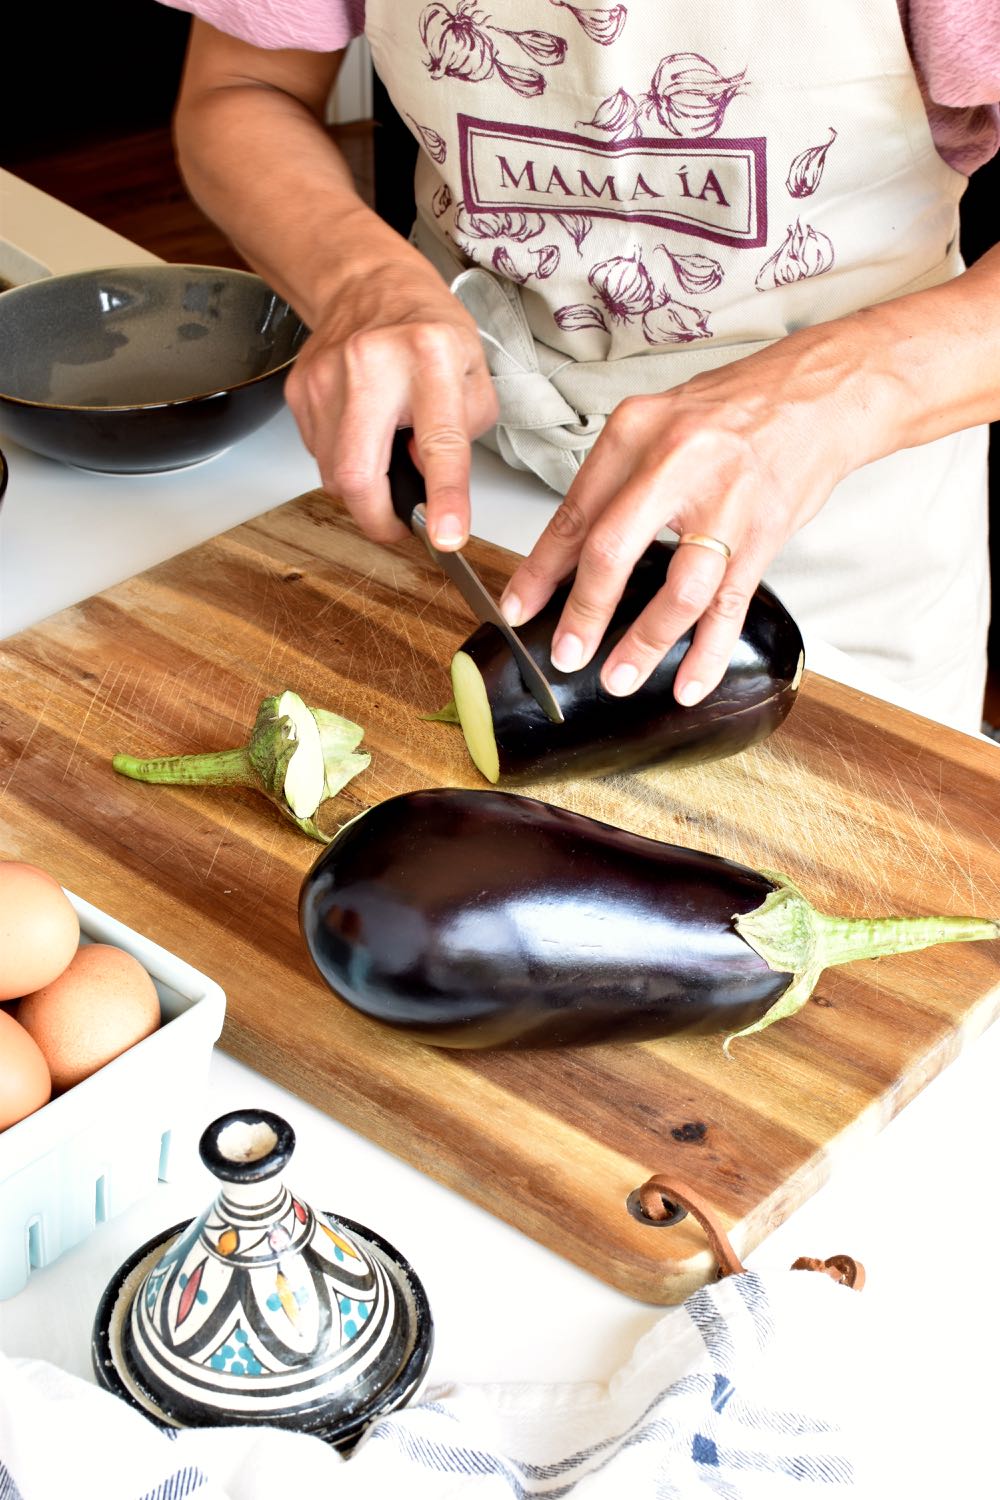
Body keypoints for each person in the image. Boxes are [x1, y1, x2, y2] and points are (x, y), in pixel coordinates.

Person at [159, 0, 1000, 731]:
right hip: (465, 466)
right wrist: (358, 280)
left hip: (836, 517)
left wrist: (823, 399)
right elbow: (241, 90)